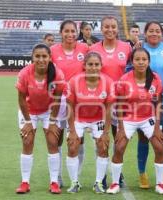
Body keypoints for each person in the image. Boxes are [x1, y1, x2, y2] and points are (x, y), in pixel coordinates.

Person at [106, 48, 163, 195]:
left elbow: (158, 103)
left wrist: (158, 127)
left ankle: (160, 184)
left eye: (144, 59)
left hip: (148, 118)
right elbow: (120, 104)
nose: (141, 62)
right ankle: (115, 183)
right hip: (128, 118)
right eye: (137, 59)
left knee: (159, 148)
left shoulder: (155, 78)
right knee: (119, 147)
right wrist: (120, 128)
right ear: (132, 61)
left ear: (148, 61)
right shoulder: (125, 79)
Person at [15, 43, 65, 194]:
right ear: (32, 57)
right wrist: (28, 122)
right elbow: (22, 99)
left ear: (50, 58)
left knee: (52, 141)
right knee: (27, 141)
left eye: (44, 56)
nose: (41, 59)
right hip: (29, 111)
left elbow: (57, 100)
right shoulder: (25, 73)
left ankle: (54, 183)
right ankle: (25, 183)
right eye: (37, 56)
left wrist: (53, 122)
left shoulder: (57, 74)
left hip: (49, 111)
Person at [90, 15, 132, 187]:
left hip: (122, 99)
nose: (110, 30)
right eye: (106, 27)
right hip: (101, 100)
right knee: (102, 139)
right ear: (101, 28)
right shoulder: (92, 48)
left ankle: (117, 172)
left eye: (113, 27)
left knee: (119, 138)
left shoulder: (126, 47)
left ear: (118, 28)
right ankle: (104, 175)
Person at [136, 21, 163, 189]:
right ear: (145, 33)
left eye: (157, 31)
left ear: (162, 33)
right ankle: (142, 173)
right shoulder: (139, 49)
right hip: (143, 103)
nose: (154, 33)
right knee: (144, 137)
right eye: (151, 31)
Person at [66, 52, 114, 193]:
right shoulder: (74, 81)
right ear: (84, 66)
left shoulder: (108, 82)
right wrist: (73, 131)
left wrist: (105, 133)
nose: (93, 67)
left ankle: (98, 183)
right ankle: (74, 182)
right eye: (90, 64)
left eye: (96, 64)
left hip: (98, 119)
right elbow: (69, 107)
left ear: (101, 66)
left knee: (103, 147)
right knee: (73, 146)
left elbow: (109, 109)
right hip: (78, 119)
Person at [50, 20, 89, 187]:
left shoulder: (84, 49)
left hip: (79, 101)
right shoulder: (52, 51)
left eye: (73, 31)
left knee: (78, 139)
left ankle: (76, 176)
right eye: (66, 31)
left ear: (77, 32)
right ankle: (57, 177)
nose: (70, 34)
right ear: (61, 33)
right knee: (57, 139)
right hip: (58, 100)